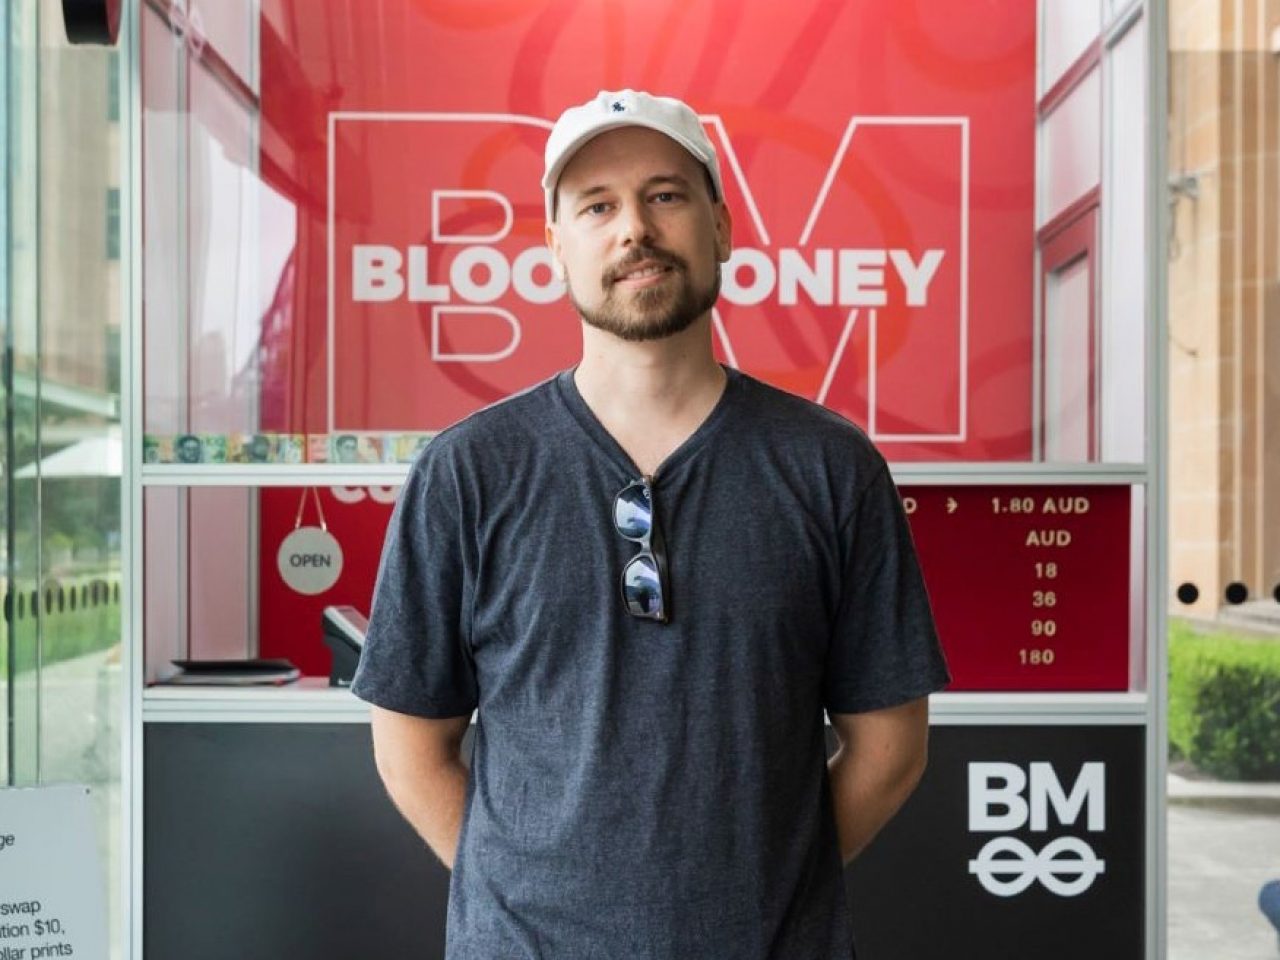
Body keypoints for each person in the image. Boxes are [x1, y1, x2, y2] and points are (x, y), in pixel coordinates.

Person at [352, 89, 950, 959]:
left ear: (722, 227)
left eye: (665, 195)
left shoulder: (830, 467)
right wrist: (519, 901)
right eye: (597, 206)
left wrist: (767, 899)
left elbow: (890, 749)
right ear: (556, 247)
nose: (634, 228)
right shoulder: (468, 471)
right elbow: (409, 743)